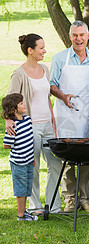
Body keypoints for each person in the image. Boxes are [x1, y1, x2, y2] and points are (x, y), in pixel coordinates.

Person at [6, 33, 63, 215]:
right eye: (41, 48)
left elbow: (46, 98)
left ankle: (53, 206)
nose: (44, 51)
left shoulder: (44, 70)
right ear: (30, 50)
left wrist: (53, 121)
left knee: (56, 164)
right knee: (33, 166)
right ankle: (35, 206)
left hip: (47, 125)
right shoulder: (19, 74)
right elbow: (9, 101)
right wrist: (8, 119)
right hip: (29, 128)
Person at [50, 20, 89, 212]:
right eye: (75, 35)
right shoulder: (60, 58)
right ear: (70, 36)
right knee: (68, 156)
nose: (78, 39)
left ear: (87, 36)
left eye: (82, 35)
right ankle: (69, 200)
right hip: (66, 114)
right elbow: (52, 85)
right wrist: (63, 96)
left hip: (88, 114)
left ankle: (85, 200)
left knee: (87, 157)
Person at [2, 93, 38, 221]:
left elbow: (31, 139)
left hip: (28, 160)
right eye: (21, 103)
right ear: (14, 109)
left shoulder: (27, 120)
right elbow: (6, 145)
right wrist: (17, 144)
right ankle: (21, 215)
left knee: (27, 187)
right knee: (20, 189)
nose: (24, 104)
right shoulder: (12, 126)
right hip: (18, 163)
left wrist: (32, 157)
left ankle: (24, 212)